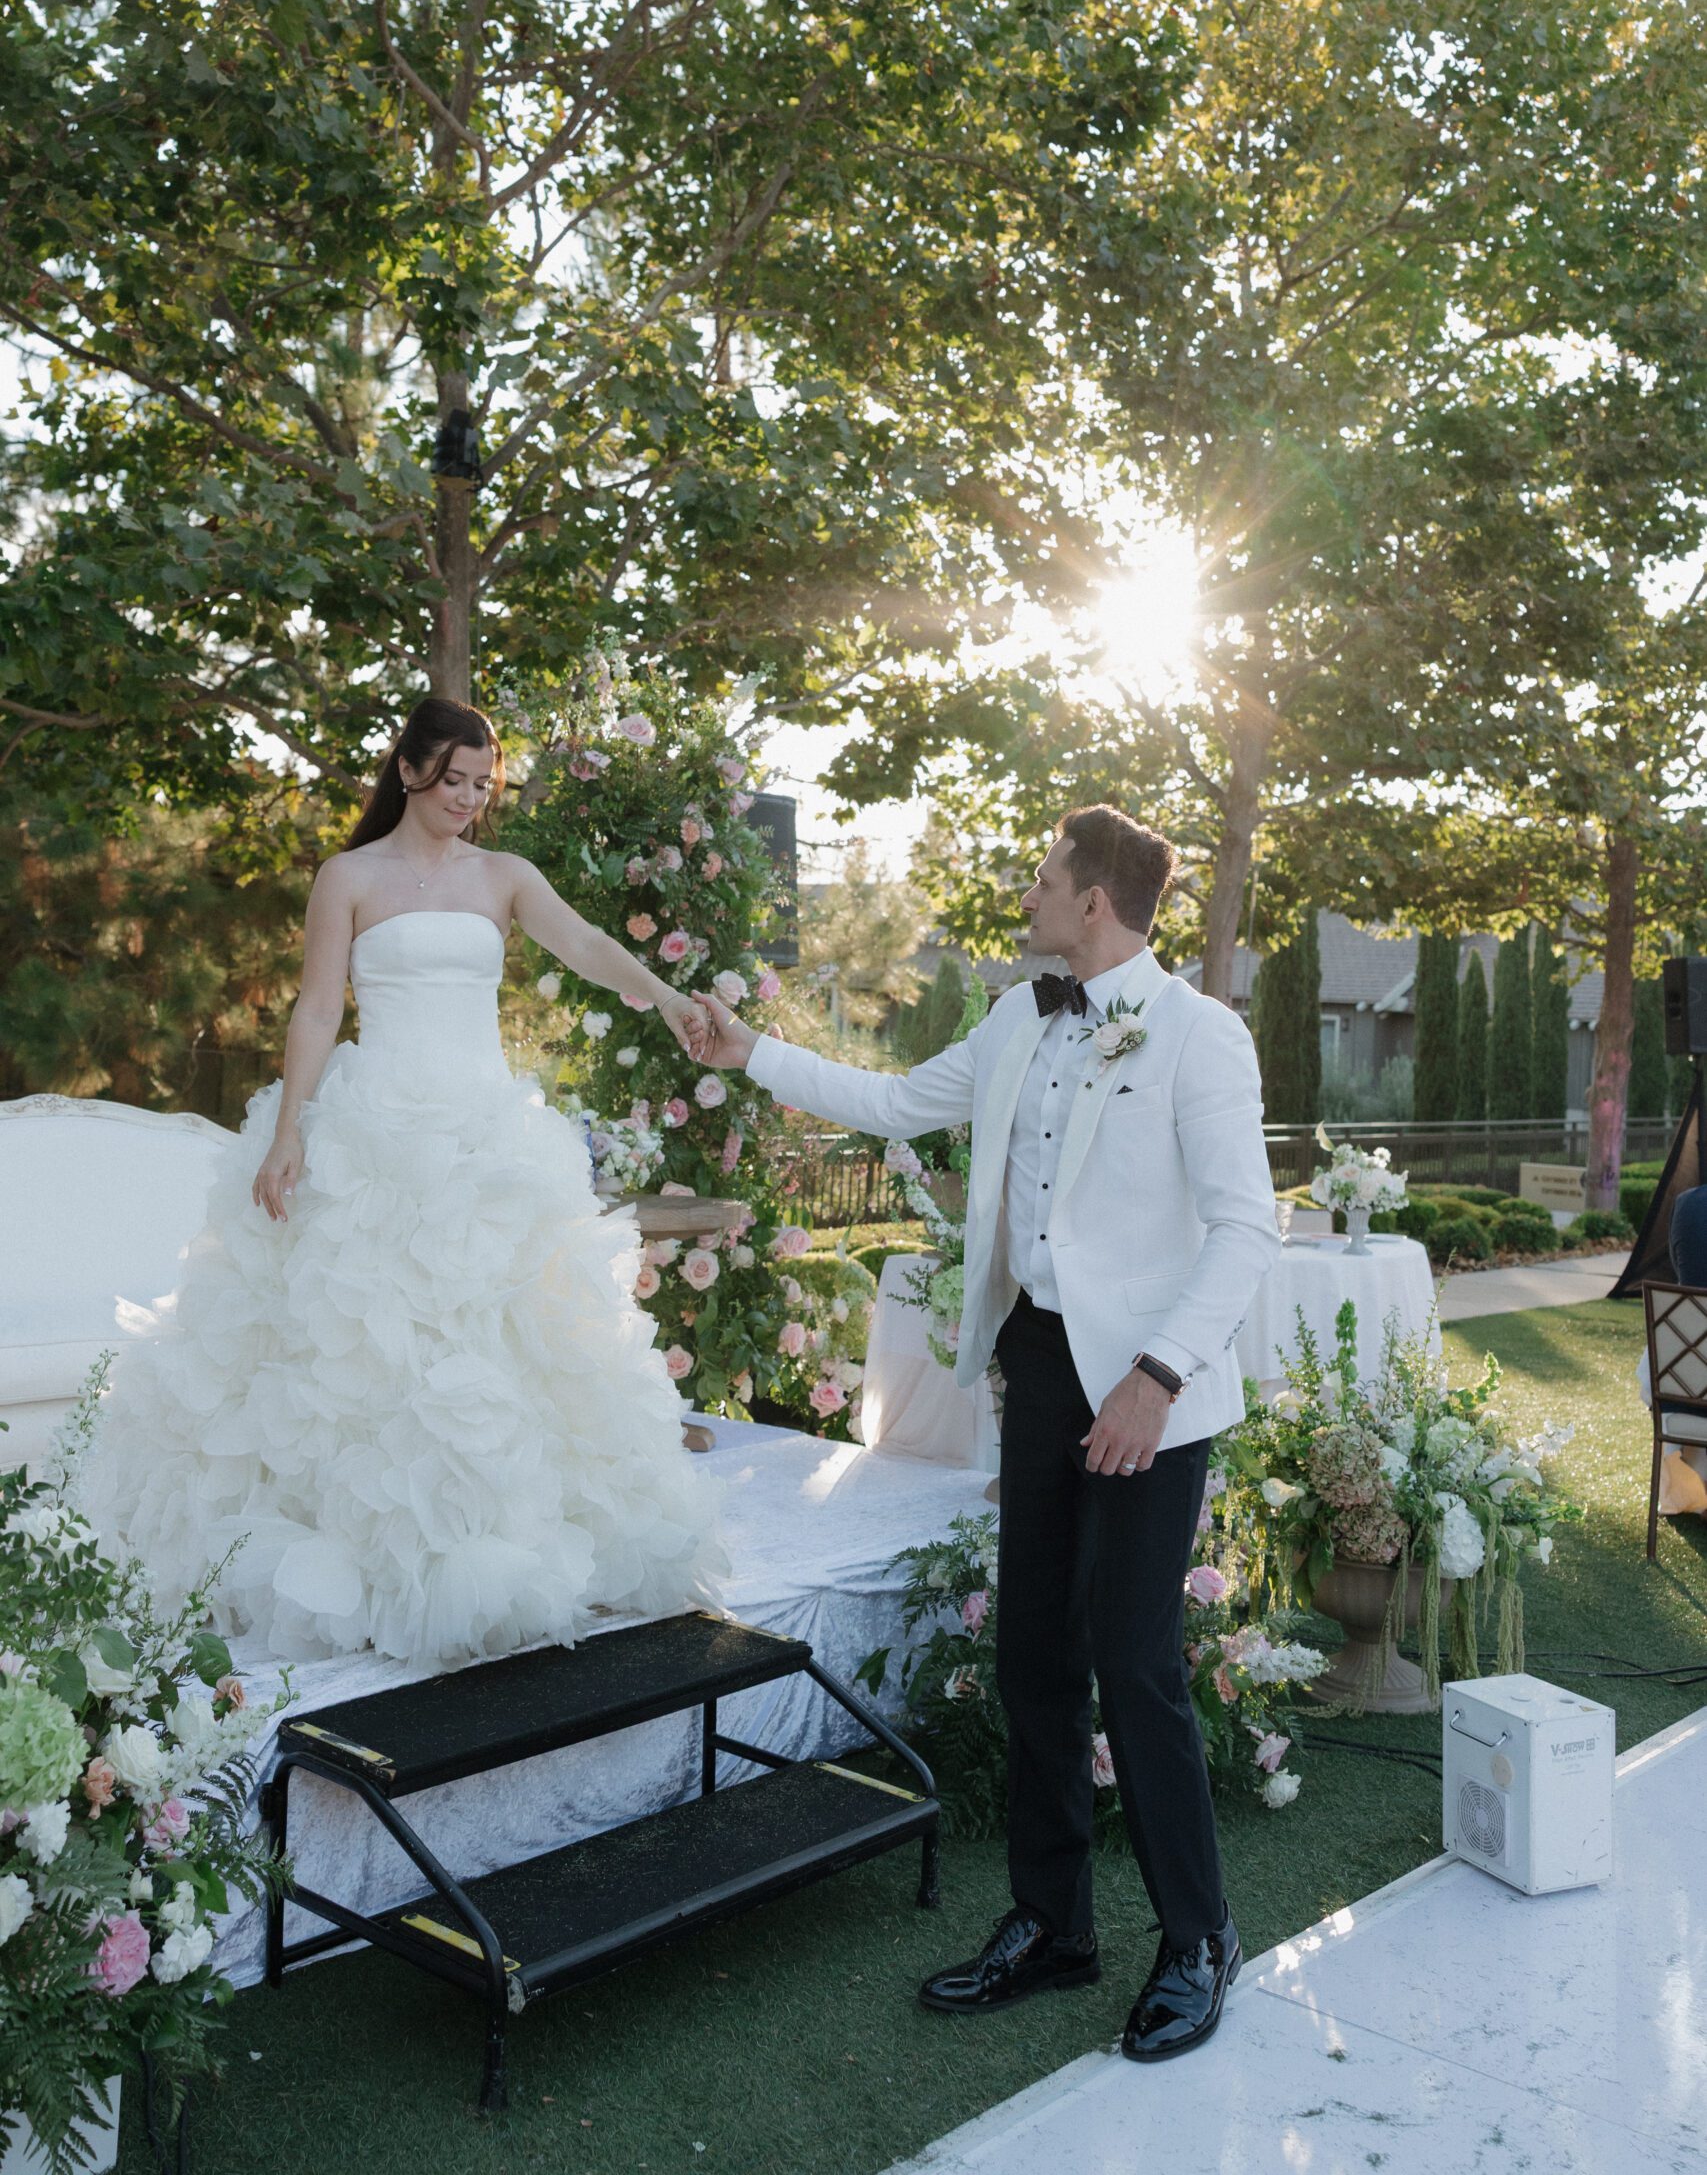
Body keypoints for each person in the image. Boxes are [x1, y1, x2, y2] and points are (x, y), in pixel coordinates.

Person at [695, 806, 1279, 2062]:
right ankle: (1055, 1924)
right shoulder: (1019, 1015)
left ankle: (1199, 1938)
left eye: (1043, 878)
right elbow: (894, 1101)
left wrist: (1156, 1377)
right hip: (1043, 1365)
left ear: (1094, 901)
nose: (1027, 896)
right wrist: (751, 1052)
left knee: (1137, 1661)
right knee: (1033, 1656)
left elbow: (1247, 1227)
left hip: (1151, 1383)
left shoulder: (1200, 1035)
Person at [89, 695, 723, 1668]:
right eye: (453, 779)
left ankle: (506, 1536)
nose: (468, 798)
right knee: (361, 1345)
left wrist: (671, 998)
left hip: (482, 1136)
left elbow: (587, 946)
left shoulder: (503, 876)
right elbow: (315, 1009)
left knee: (503, 1337)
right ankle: (374, 1554)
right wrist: (289, 1132)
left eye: (482, 783)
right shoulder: (348, 876)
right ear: (410, 769)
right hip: (375, 1132)